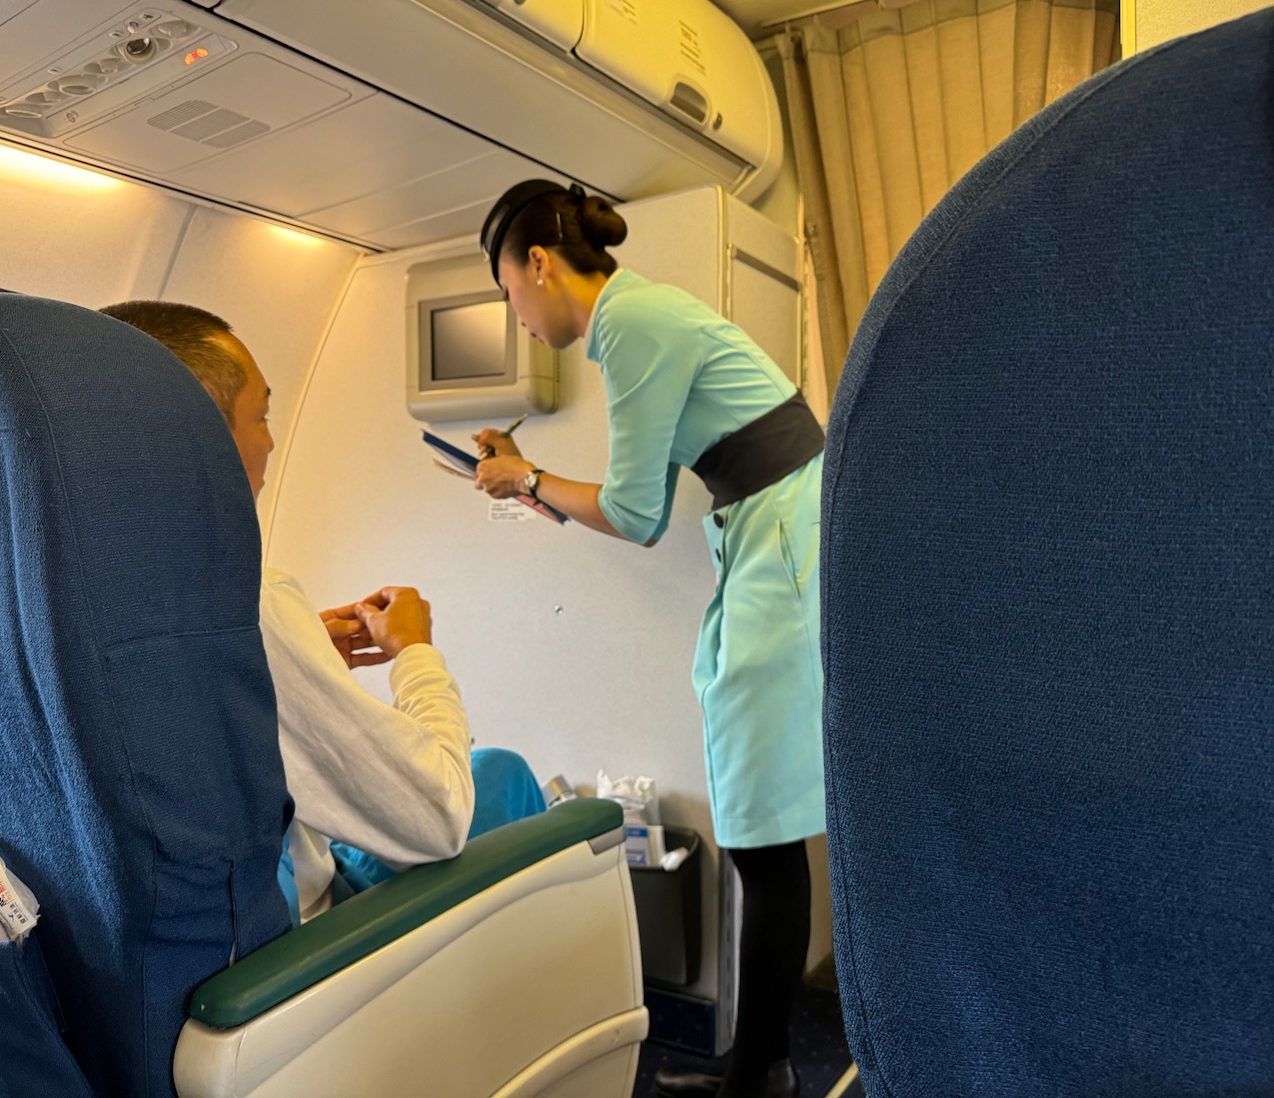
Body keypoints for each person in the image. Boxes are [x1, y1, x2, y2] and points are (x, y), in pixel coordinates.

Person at [473, 181, 824, 1098]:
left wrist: (528, 477)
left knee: (762, 830)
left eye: (509, 292)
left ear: (538, 265)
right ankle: (765, 1063)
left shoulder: (627, 326)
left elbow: (633, 515)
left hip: (786, 539)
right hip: (773, 532)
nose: (518, 316)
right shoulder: (641, 315)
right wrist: (530, 482)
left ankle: (761, 1073)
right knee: (763, 819)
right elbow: (650, 504)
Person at [100, 301, 538, 925]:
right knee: (500, 775)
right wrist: (415, 654)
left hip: (162, 928)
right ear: (199, 437)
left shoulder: (58, 582)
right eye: (262, 414)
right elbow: (434, 817)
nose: (272, 441)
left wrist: (298, 664)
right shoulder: (238, 602)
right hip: (296, 937)